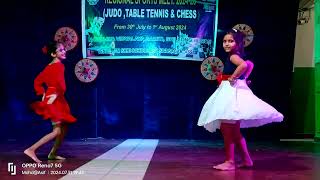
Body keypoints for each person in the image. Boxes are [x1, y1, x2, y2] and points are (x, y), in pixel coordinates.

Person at [197, 29, 283, 170]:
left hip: (230, 94)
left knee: (227, 129)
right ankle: (247, 160)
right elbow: (250, 64)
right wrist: (244, 78)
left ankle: (230, 161)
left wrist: (234, 77)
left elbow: (243, 65)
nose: (227, 44)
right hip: (231, 91)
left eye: (231, 41)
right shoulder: (233, 56)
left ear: (238, 43)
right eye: (225, 41)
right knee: (234, 131)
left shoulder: (233, 57)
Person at [24, 41, 76, 163]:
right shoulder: (57, 66)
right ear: (53, 54)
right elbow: (60, 85)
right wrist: (49, 94)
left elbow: (37, 81)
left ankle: (53, 153)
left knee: (64, 127)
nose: (64, 51)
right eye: (61, 50)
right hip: (54, 98)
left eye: (64, 49)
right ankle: (31, 149)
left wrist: (43, 93)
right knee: (57, 130)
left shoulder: (51, 66)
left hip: (57, 98)